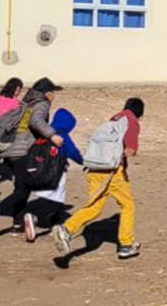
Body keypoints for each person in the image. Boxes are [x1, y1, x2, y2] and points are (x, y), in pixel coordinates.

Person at [54, 97, 145, 260]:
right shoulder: (131, 121)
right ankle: (126, 244)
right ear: (140, 113)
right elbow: (130, 146)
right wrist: (130, 150)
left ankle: (67, 229)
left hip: (94, 168)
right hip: (113, 171)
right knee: (127, 206)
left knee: (94, 207)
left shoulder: (112, 121)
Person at [0, 78, 64, 239]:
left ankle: (17, 225)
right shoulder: (41, 104)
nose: (54, 95)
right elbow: (36, 121)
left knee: (21, 188)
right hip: (21, 152)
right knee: (23, 189)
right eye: (53, 91)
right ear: (47, 93)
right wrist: (52, 135)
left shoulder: (26, 103)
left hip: (9, 150)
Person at [23, 108, 84, 243]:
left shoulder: (45, 133)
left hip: (39, 170)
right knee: (56, 200)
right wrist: (84, 162)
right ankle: (35, 217)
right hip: (56, 171)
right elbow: (72, 152)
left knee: (46, 196)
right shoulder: (62, 135)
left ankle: (54, 224)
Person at [0, 77, 24, 188]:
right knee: (1, 153)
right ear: (16, 89)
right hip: (6, 131)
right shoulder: (16, 102)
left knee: (3, 153)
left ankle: (12, 175)